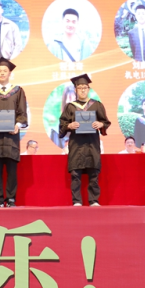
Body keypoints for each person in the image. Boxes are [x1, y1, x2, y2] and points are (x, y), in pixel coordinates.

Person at [59, 74, 111, 206]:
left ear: (88, 89)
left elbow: (105, 122)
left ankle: (93, 200)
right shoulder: (70, 107)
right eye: (80, 87)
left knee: (93, 173)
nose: (82, 90)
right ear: (75, 89)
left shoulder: (96, 105)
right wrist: (69, 125)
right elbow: (62, 124)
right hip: (76, 144)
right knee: (75, 173)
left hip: (92, 143)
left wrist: (101, 124)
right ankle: (77, 201)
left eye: (85, 87)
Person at [0, 57, 28, 207]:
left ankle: (11, 199)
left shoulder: (18, 91)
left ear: (9, 73)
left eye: (5, 71)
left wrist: (18, 125)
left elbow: (22, 112)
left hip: (11, 137)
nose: (2, 73)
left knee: (12, 170)